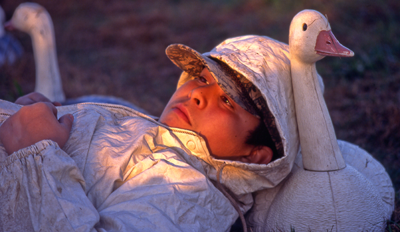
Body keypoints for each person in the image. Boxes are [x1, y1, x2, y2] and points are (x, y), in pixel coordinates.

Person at [0, 35, 299, 231]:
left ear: (255, 156)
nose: (197, 94)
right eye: (200, 77)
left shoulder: (187, 194)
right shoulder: (160, 140)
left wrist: (35, 154)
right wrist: (28, 117)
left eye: (227, 101)